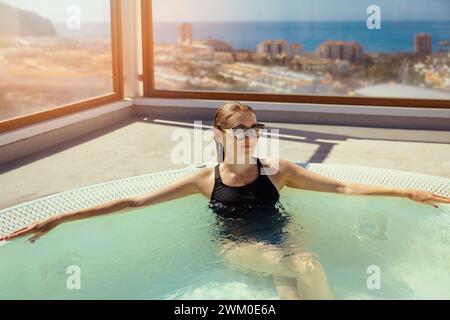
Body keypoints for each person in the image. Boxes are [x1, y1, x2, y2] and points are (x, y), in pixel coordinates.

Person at [2, 101, 449, 299]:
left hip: (285, 237)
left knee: (293, 285)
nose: (252, 135)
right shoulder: (204, 179)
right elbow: (135, 202)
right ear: (220, 134)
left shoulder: (280, 169)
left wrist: (405, 191)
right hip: (239, 249)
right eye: (242, 129)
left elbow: (343, 187)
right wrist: (60, 217)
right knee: (307, 266)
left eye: (256, 127)